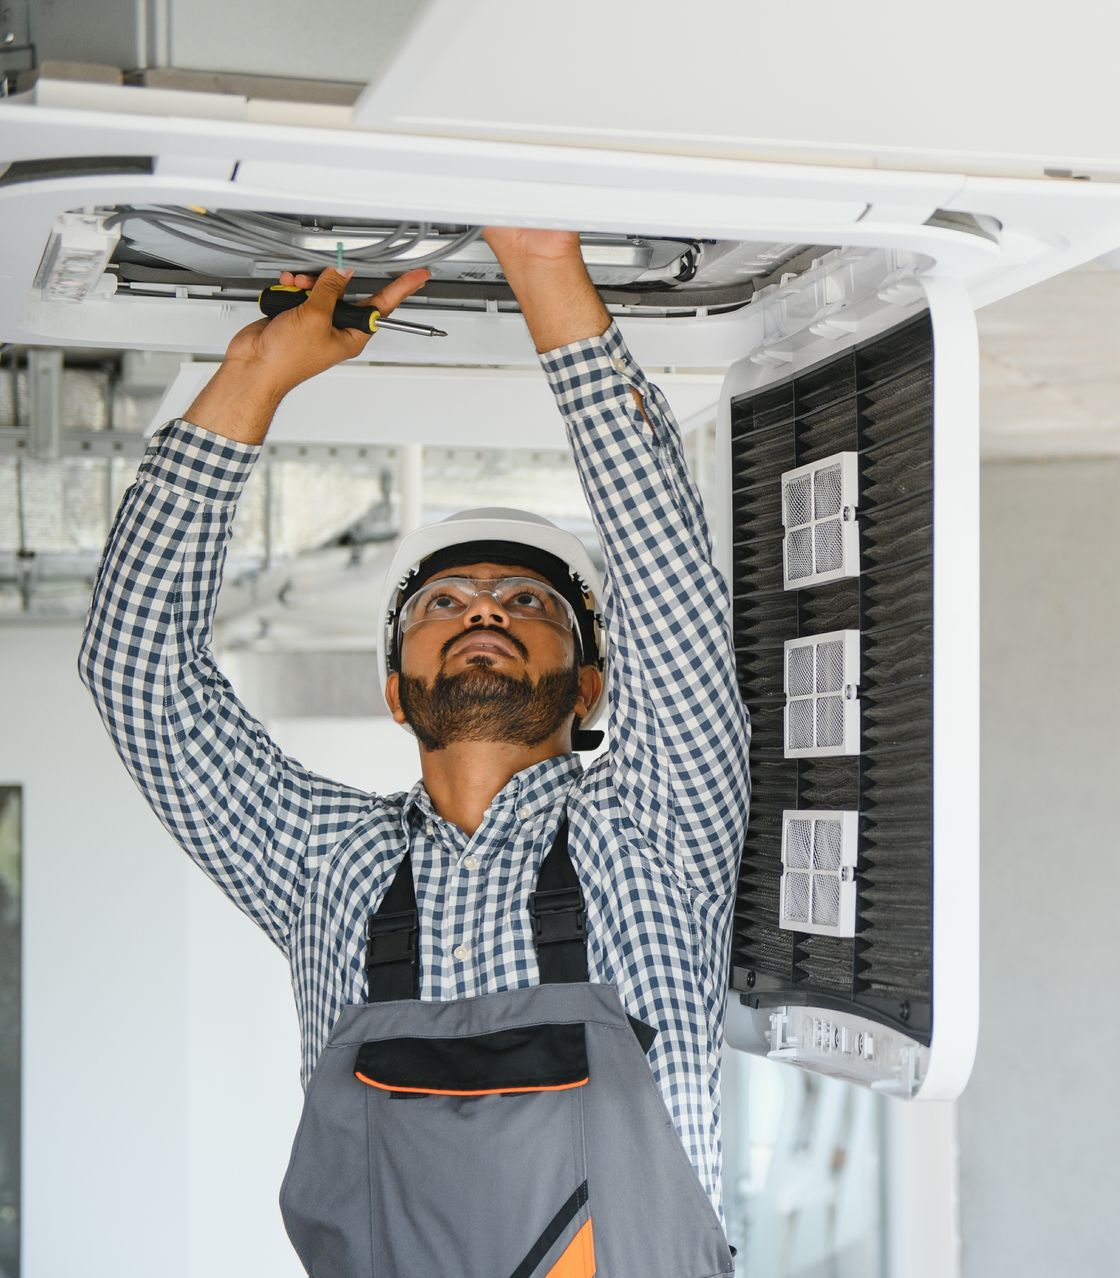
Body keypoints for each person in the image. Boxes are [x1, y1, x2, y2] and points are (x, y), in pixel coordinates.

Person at [78, 228, 750, 1275]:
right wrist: (254, 377)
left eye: (529, 601)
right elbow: (137, 673)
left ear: (592, 684)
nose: (485, 610)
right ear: (397, 691)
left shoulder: (659, 827)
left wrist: (541, 265)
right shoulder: (326, 866)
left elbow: (666, 587)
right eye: (445, 603)